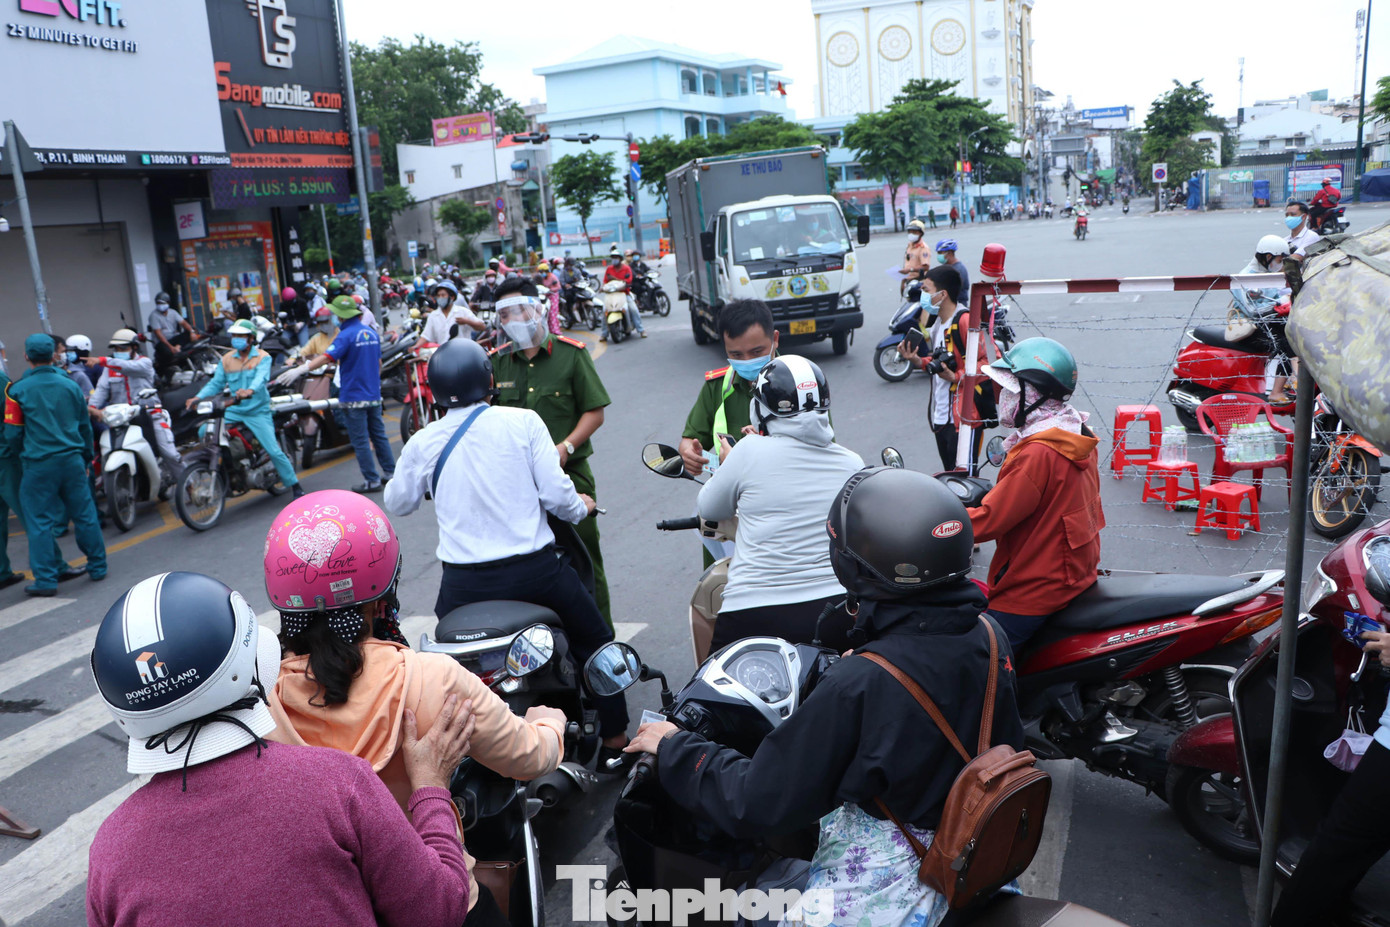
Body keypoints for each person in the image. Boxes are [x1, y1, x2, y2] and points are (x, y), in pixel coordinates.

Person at [624, 468, 1024, 927]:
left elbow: (759, 802)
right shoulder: (990, 635)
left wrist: (676, 746)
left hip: (892, 892)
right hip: (973, 858)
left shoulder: (860, 682)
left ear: (852, 565)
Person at [86, 571, 475, 927]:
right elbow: (439, 910)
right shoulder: (336, 783)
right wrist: (431, 787)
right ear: (249, 659)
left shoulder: (110, 850)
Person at [261, 492, 565, 927]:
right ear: (382, 590)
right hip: (441, 899)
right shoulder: (432, 677)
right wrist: (549, 723)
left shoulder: (258, 703)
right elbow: (528, 758)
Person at [382, 339, 631, 764]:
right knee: (597, 642)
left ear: (436, 390)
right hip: (535, 576)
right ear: (489, 379)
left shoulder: (424, 441)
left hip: (463, 586)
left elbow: (397, 502)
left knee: (449, 666)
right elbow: (558, 498)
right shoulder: (523, 422)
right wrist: (582, 506)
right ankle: (615, 739)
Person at [697, 355, 863, 652]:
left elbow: (709, 509)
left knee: (709, 695)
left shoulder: (747, 451)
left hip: (754, 610)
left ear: (759, 410)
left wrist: (727, 463)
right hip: (837, 609)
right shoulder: (851, 462)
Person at [489, 278, 617, 629]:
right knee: (524, 567)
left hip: (569, 476)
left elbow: (595, 411)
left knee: (585, 561)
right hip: (515, 485)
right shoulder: (497, 364)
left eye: (519, 309)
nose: (514, 318)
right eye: (505, 313)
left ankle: (604, 648)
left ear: (538, 308)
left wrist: (566, 446)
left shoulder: (571, 354)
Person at [966, 337, 1104, 650]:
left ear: (1033, 395)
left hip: (1034, 589)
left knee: (978, 660)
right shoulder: (1076, 433)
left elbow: (988, 521)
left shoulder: (1038, 453)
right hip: (1073, 574)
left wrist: (937, 529)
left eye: (1009, 390)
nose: (1000, 396)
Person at [3, 334, 107, 596]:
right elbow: (85, 427)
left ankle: (47, 581)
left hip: (38, 465)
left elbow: (13, 435)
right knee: (85, 515)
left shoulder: (15, 391)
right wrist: (85, 458)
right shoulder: (71, 385)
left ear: (26, 356)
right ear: (53, 356)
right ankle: (98, 566)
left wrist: (25, 455)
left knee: (39, 522)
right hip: (72, 461)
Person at [276, 295, 395, 493]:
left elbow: (325, 358)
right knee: (379, 435)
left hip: (354, 396)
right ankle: (391, 474)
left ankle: (372, 480)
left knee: (361, 440)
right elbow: (379, 364)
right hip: (373, 394)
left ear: (340, 316)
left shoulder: (345, 336)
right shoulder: (370, 333)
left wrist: (301, 369)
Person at [186, 319, 304, 499]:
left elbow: (261, 379)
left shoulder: (263, 357)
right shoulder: (226, 360)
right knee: (205, 431)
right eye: (234, 335)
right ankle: (228, 471)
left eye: (241, 335)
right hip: (235, 409)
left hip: (258, 410)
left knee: (273, 450)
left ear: (251, 338)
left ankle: (295, 485)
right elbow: (216, 383)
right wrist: (198, 397)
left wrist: (250, 390)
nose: (236, 339)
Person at [898, 264, 994, 472]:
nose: (922, 295)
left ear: (943, 294)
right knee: (950, 479)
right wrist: (918, 361)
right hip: (941, 418)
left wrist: (955, 376)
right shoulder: (937, 326)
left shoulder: (965, 321)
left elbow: (985, 366)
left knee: (966, 483)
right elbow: (937, 361)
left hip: (964, 419)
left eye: (926, 290)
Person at [86, 328, 182, 479]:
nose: (119, 351)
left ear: (134, 347)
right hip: (123, 419)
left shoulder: (144, 363)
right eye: (116, 349)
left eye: (123, 348)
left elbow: (128, 367)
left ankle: (188, 485)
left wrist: (103, 360)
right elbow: (101, 390)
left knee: (168, 452)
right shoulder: (109, 370)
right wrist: (92, 407)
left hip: (150, 414)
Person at [147, 291, 203, 374]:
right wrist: (171, 347)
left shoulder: (173, 312)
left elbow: (184, 323)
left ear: (168, 303)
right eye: (158, 303)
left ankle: (179, 347)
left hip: (173, 338)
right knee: (168, 352)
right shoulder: (154, 315)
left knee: (187, 334)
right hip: (162, 342)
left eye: (162, 303)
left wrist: (191, 332)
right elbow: (159, 334)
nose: (160, 305)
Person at [600, 250, 645, 341]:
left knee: (633, 309)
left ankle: (641, 330)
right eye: (613, 258)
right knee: (605, 311)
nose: (614, 260)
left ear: (620, 259)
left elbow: (628, 281)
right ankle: (604, 334)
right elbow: (605, 281)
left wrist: (615, 279)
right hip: (611, 294)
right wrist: (602, 287)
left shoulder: (626, 268)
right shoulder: (609, 269)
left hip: (624, 293)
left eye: (616, 258)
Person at [422, 280, 484, 345]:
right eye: (438, 295)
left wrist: (467, 321)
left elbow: (482, 327)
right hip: (443, 353)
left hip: (463, 352)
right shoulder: (433, 315)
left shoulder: (463, 312)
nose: (440, 298)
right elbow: (425, 336)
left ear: (452, 297)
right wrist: (414, 347)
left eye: (443, 295)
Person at [934, 238, 971, 309]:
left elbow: (950, 290)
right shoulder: (945, 267)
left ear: (950, 253)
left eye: (940, 253)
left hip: (956, 307)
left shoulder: (958, 270)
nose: (938, 256)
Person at [898, 219, 929, 294]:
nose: (911, 234)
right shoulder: (910, 245)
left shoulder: (923, 248)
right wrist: (903, 280)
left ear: (921, 233)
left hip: (918, 282)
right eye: (910, 231)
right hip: (908, 281)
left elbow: (926, 267)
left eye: (914, 232)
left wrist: (910, 270)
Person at [534, 261, 563, 336]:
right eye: (540, 272)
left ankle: (555, 331)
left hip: (553, 296)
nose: (541, 273)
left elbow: (558, 287)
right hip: (543, 297)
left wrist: (551, 290)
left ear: (546, 271)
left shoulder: (553, 277)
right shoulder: (540, 278)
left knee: (552, 314)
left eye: (542, 272)